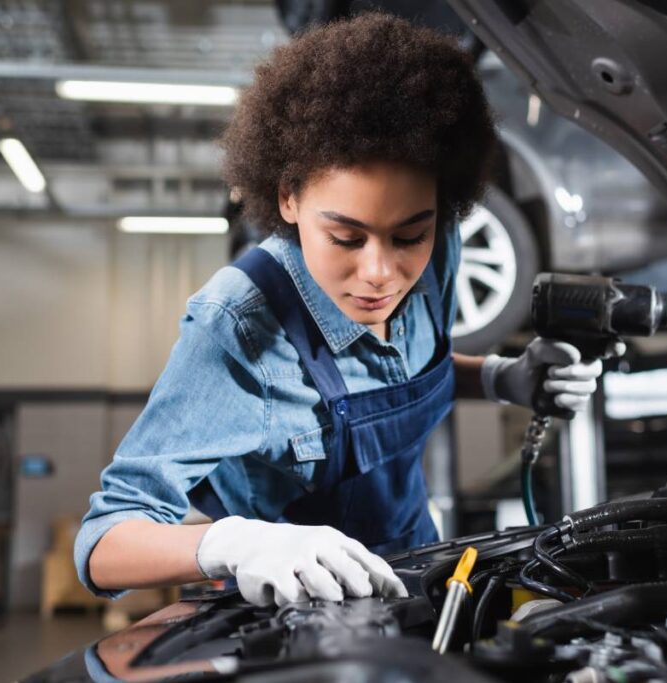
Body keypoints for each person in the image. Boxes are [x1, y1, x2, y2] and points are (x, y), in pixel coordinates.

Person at [74, 13, 605, 608]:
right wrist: (233, 543)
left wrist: (500, 377)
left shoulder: (439, 255)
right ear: (289, 197)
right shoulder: (240, 325)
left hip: (418, 579)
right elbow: (102, 542)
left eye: (409, 236)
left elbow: (403, 375)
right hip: (292, 619)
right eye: (347, 238)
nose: (381, 273)